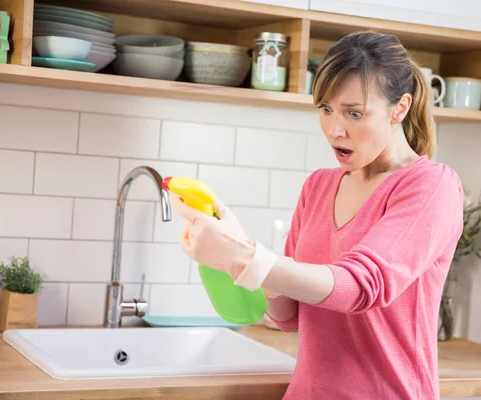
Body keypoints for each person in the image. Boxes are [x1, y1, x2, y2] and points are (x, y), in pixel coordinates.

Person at [171, 30, 464, 400]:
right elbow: (288, 316)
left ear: (399, 109)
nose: (334, 130)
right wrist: (240, 247)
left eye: (354, 113)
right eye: (325, 109)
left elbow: (360, 287)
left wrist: (245, 256)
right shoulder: (319, 187)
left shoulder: (430, 186)